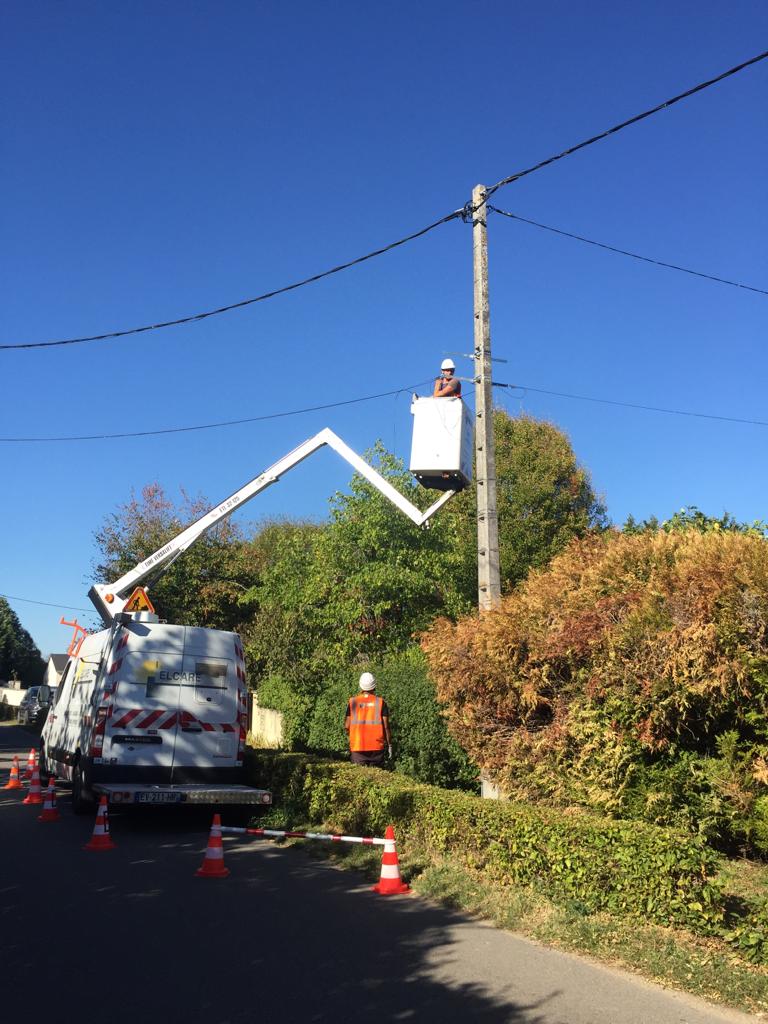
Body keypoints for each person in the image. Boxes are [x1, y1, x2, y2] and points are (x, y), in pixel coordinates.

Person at [344, 672, 392, 767]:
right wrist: (390, 745)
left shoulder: (353, 702)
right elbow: (386, 727)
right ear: (374, 686)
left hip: (358, 748)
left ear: (360, 686)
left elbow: (347, 726)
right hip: (377, 748)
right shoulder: (381, 702)